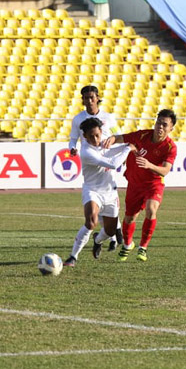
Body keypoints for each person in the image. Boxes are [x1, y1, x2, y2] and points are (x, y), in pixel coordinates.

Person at [103, 109, 178, 262]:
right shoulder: (142, 135)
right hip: (135, 184)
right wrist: (112, 139)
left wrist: (150, 165)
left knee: (151, 210)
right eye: (158, 123)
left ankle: (143, 248)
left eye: (165, 125)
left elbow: (165, 171)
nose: (160, 127)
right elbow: (122, 138)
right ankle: (127, 244)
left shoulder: (170, 147)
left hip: (153, 184)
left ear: (171, 128)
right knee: (129, 218)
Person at [64, 117, 133, 267]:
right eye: (91, 136)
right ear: (85, 136)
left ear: (101, 132)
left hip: (110, 193)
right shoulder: (86, 152)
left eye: (97, 135)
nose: (95, 139)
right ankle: (73, 257)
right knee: (91, 221)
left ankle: (97, 240)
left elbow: (112, 151)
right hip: (92, 191)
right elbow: (113, 163)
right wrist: (128, 148)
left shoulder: (103, 143)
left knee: (109, 231)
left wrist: (127, 145)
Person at [68, 85, 123, 251]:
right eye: (86, 98)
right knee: (98, 195)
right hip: (92, 158)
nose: (89, 101)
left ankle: (113, 235)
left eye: (92, 97)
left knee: (109, 192)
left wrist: (122, 148)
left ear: (98, 98)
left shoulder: (108, 117)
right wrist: (72, 147)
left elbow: (117, 134)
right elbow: (73, 138)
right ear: (82, 100)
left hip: (109, 156)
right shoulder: (78, 119)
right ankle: (114, 235)